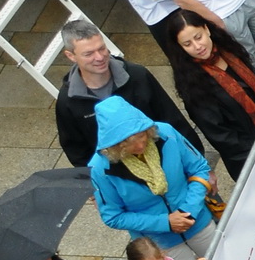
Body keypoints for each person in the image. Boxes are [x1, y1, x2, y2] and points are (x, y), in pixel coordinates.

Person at [88, 97, 218, 260]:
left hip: (198, 221)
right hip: (160, 242)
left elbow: (199, 168)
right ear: (114, 145)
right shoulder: (99, 169)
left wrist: (188, 211)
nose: (140, 145)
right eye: (128, 143)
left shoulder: (166, 132)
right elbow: (113, 216)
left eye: (141, 135)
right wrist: (166, 222)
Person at [54, 17, 199, 166]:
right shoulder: (68, 101)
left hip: (167, 161)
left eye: (102, 48)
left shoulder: (138, 75)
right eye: (89, 54)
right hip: (119, 179)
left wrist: (197, 160)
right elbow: (77, 152)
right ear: (71, 56)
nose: (99, 57)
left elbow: (172, 118)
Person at [158, 9, 255, 179]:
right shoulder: (193, 85)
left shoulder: (229, 50)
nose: (197, 47)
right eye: (187, 44)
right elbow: (222, 137)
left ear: (207, 29)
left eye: (198, 37)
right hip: (252, 158)